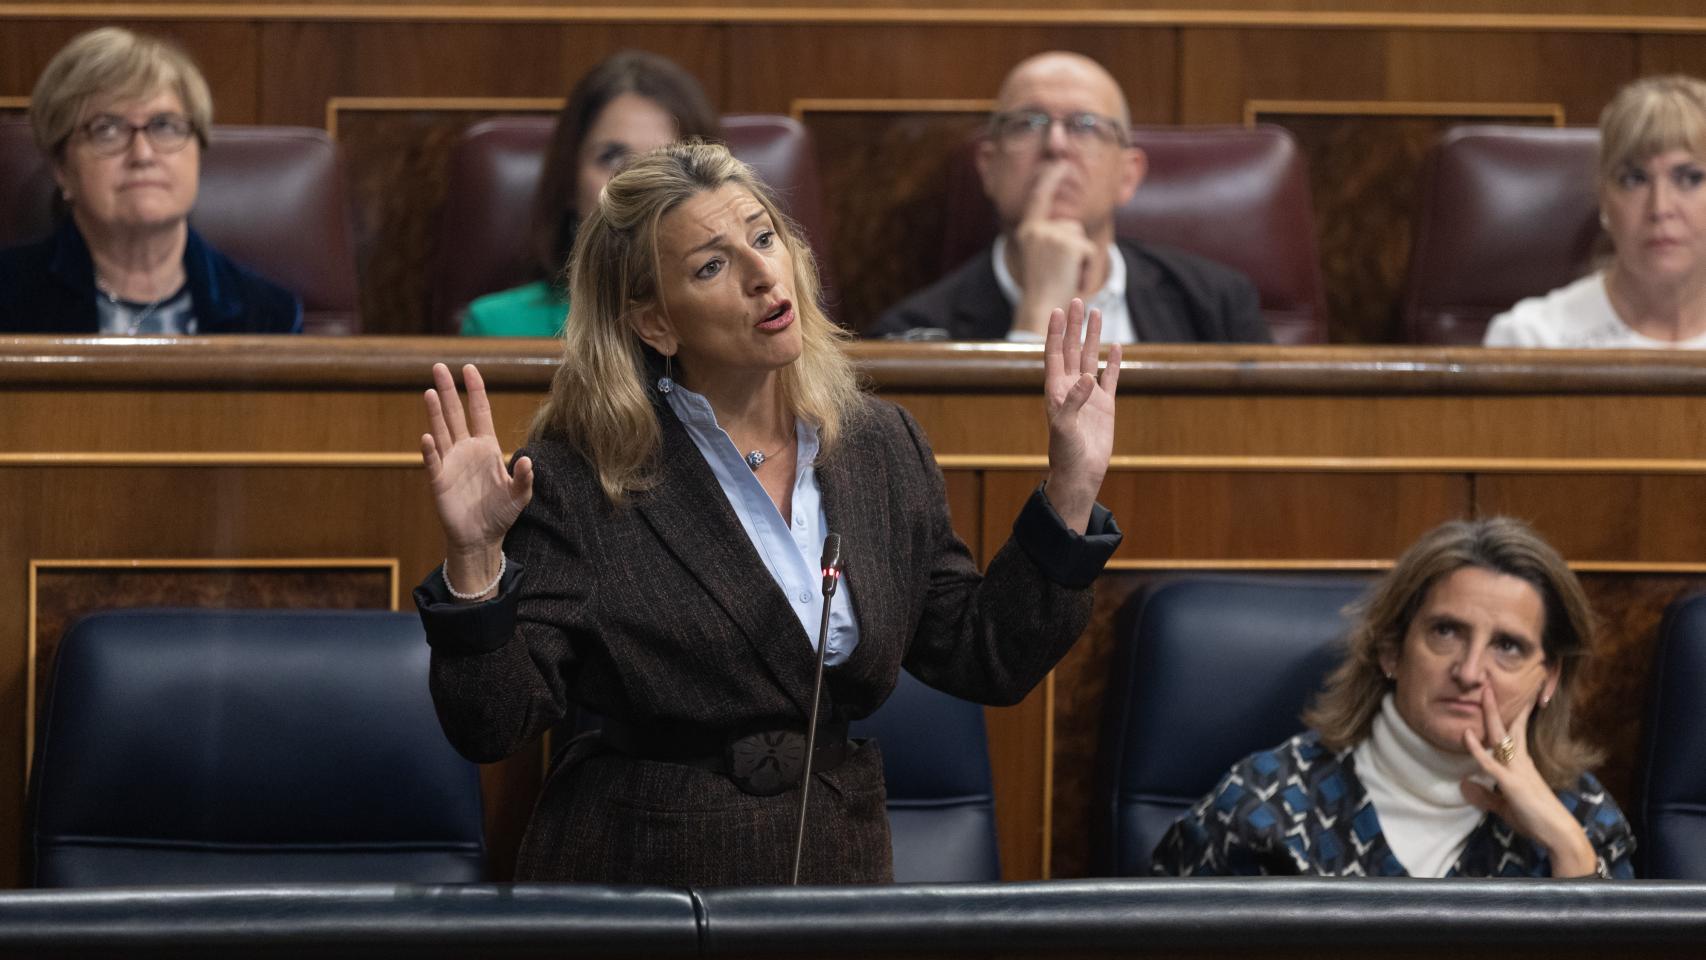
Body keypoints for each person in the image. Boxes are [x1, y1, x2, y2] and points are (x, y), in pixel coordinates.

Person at [414, 141, 1124, 885]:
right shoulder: (582, 472)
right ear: (655, 324)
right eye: (711, 266)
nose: (762, 275)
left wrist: (1070, 487)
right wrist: (474, 561)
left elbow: (986, 654)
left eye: (763, 237)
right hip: (642, 884)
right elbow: (493, 725)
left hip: (830, 877)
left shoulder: (878, 445)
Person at [1153, 517, 1634, 879]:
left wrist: (1568, 849)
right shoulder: (1266, 805)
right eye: (1446, 632)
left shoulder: (1584, 818)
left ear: (1548, 677)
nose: (1469, 672)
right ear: (1391, 650)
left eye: (1508, 647)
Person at [867, 51, 1269, 344]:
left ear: (1128, 175)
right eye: (1028, 123)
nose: (1056, 145)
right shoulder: (913, 331)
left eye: (1086, 126)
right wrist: (1037, 315)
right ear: (988, 169)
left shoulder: (1218, 306)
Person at [0, 27, 300, 335]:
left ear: (198, 151)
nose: (142, 154)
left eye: (165, 126)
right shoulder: (9, 296)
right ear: (62, 168)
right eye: (107, 129)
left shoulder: (269, 315)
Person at [459, 51, 719, 337]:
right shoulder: (497, 327)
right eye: (611, 157)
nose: (636, 182)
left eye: (665, 161)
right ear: (570, 181)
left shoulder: (741, 317)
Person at [1485, 75, 1706, 348]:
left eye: (1690, 178)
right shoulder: (1532, 340)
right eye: (1634, 180)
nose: (1660, 208)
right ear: (1603, 197)